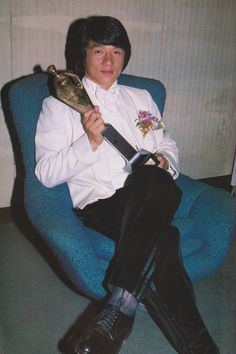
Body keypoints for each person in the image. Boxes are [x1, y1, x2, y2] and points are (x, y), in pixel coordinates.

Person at [35, 15, 219, 354]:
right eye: (99, 51)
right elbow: (46, 173)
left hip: (148, 192)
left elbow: (166, 143)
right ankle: (200, 347)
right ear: (83, 55)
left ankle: (118, 310)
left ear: (125, 55)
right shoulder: (58, 106)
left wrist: (166, 159)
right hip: (99, 204)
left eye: (116, 52)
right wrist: (88, 142)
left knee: (155, 177)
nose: (108, 61)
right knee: (164, 237)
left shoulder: (141, 98)